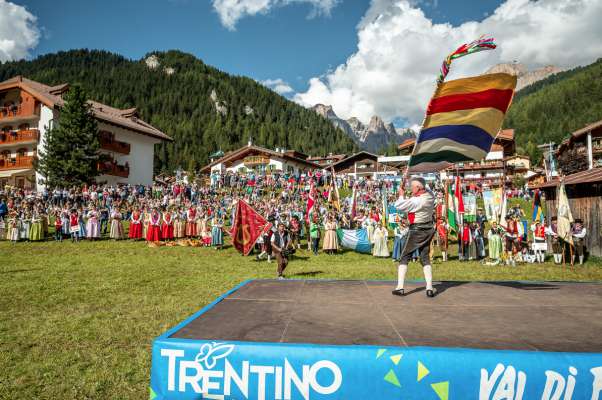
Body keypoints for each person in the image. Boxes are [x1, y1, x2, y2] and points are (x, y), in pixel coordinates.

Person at [392, 177, 436, 298]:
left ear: (418, 188)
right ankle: (429, 288)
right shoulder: (430, 195)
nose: (410, 189)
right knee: (425, 258)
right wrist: (405, 183)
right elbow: (423, 186)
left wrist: (401, 194)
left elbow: (399, 205)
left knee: (404, 257)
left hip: (417, 230)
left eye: (412, 187)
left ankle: (400, 287)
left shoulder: (418, 201)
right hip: (428, 229)